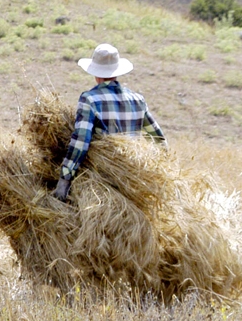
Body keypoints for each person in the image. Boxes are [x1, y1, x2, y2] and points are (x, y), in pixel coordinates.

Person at [54, 43, 166, 202]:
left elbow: (80, 142)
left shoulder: (90, 99)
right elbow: (160, 141)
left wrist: (65, 179)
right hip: (134, 183)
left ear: (95, 73)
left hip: (102, 183)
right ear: (116, 72)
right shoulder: (138, 100)